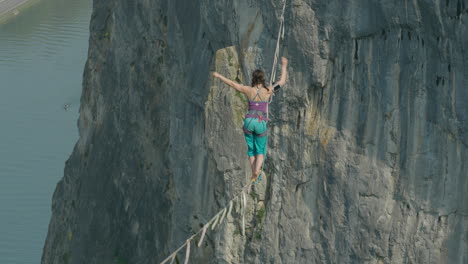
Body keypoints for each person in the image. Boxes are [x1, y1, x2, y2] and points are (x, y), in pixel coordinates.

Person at [212, 57, 288, 183]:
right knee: (261, 150)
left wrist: (219, 75)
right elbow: (282, 81)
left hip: (248, 122)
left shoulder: (248, 90)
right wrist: (284, 65)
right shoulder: (268, 91)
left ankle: (254, 171)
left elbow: (232, 84)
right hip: (260, 122)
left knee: (251, 150)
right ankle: (256, 171)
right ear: (263, 79)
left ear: (253, 79)